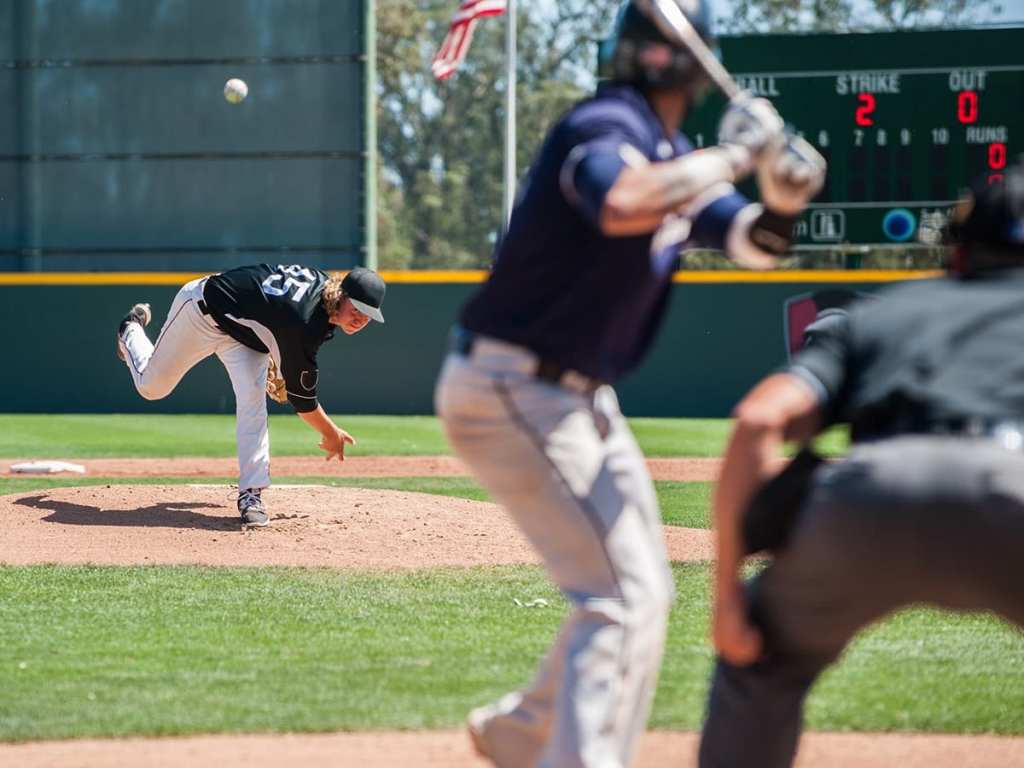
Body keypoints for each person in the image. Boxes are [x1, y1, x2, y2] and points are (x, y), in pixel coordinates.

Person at [433, 1, 825, 765]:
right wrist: (734, 156)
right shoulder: (606, 122)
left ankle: (522, 733)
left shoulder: (671, 152)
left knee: (639, 590)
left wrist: (781, 203)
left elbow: (751, 243)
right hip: (515, 383)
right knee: (621, 597)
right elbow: (621, 202)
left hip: (573, 396)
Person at [699, 162, 1024, 768]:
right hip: (1015, 491)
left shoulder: (890, 312)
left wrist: (729, 604)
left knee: (762, 658)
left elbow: (759, 420)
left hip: (871, 497)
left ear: (959, 246)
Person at [115, 264, 386, 527]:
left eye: (368, 315)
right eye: (357, 309)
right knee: (152, 387)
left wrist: (276, 346)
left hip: (246, 335)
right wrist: (331, 433)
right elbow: (303, 402)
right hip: (202, 312)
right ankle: (130, 329)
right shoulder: (303, 321)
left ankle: (251, 494)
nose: (361, 319)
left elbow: (273, 306)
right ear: (340, 294)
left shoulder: (323, 299)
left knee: (253, 404)